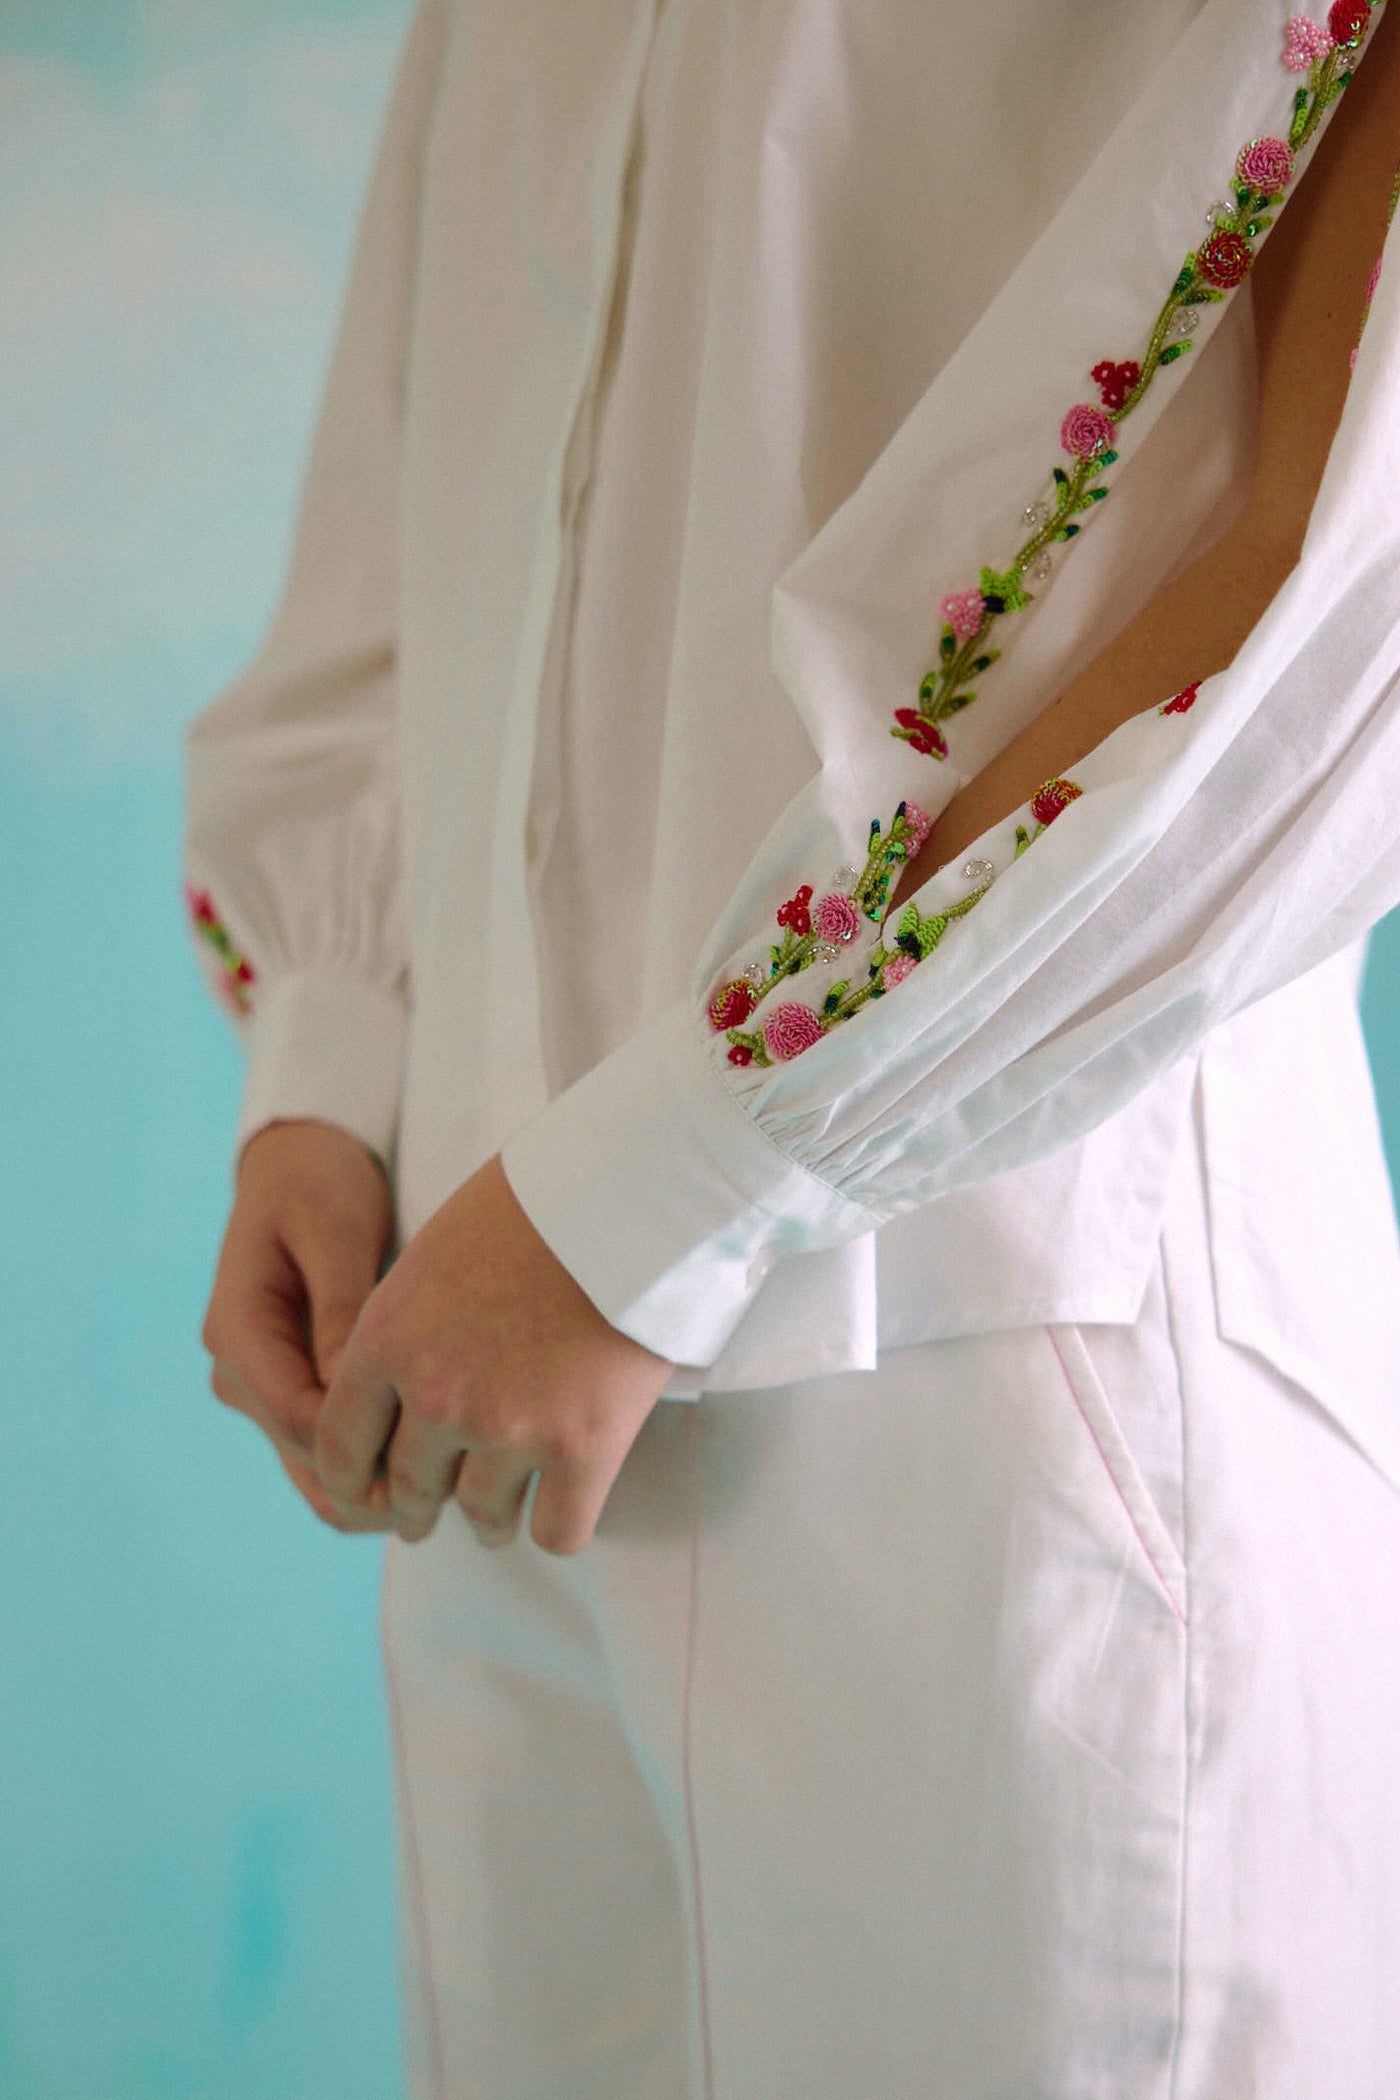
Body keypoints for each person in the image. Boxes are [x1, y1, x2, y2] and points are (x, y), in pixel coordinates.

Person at [185, 0, 1400, 2090]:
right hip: (482, 1341)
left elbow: (1340, 569)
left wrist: (690, 1167)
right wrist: (341, 1052)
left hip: (1011, 1334)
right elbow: (433, 436)